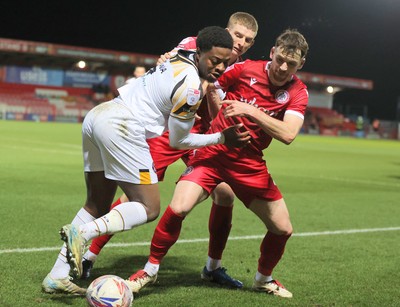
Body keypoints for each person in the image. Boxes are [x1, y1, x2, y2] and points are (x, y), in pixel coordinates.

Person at [41, 25, 251, 295]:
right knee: (149, 207)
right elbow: (179, 141)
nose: (221, 67)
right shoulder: (191, 88)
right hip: (123, 126)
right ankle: (83, 234)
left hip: (98, 116)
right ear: (200, 53)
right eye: (215, 61)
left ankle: (57, 275)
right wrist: (223, 138)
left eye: (225, 62)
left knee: (97, 203)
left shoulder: (182, 53)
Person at [127, 28, 309, 299]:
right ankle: (150, 270)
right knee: (178, 207)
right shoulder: (245, 69)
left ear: (300, 65)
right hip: (214, 155)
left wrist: (250, 110)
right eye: (280, 59)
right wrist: (171, 60)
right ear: (272, 52)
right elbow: (209, 77)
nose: (283, 67)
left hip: (249, 164)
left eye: (291, 64)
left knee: (283, 228)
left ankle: (263, 279)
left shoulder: (298, 91)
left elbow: (288, 134)